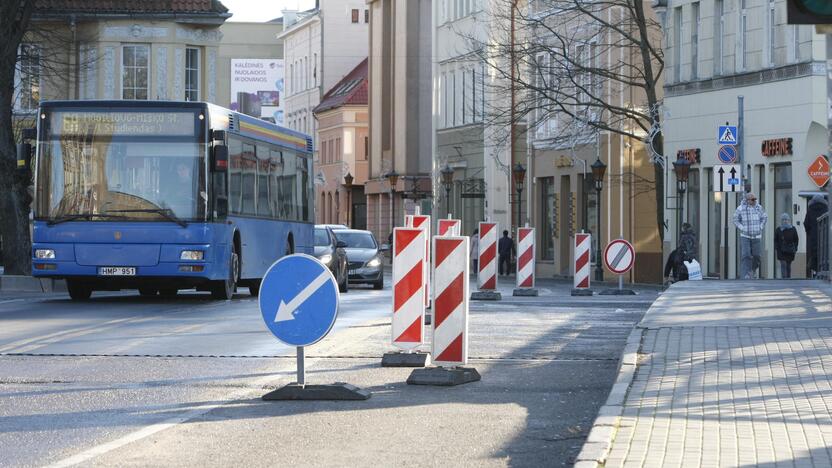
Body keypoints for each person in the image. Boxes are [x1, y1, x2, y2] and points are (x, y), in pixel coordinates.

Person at [733, 192, 768, 279]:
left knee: (757, 255)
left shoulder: (759, 208)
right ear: (747, 200)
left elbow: (764, 217)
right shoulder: (741, 208)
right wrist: (742, 227)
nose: (754, 201)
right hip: (745, 236)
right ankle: (746, 274)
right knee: (746, 255)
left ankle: (752, 270)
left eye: (755, 199)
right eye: (752, 199)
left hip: (757, 236)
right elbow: (735, 219)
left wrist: (760, 227)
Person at [804, 194, 827, 277]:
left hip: (814, 236)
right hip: (825, 236)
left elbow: (806, 223)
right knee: (825, 253)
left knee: (814, 253)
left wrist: (809, 232)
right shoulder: (826, 209)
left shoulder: (810, 210)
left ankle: (815, 271)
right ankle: (824, 271)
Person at [774, 213, 799, 279]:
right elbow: (775, 240)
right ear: (781, 221)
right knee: (783, 264)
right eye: (783, 220)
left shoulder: (793, 229)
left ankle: (788, 278)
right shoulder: (778, 229)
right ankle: (784, 278)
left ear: (789, 220)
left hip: (790, 251)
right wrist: (776, 248)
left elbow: (796, 239)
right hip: (781, 251)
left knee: (788, 265)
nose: (785, 221)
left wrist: (795, 248)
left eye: (786, 219)